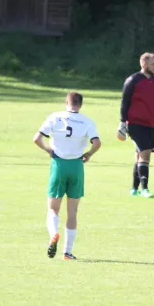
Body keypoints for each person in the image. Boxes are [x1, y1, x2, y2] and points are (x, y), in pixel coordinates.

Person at [33, 91, 101, 260]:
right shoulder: (87, 121)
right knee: (72, 212)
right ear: (80, 104)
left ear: (66, 102)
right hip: (77, 166)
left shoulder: (56, 117)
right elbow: (97, 142)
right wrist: (89, 153)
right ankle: (67, 252)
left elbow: (36, 138)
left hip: (59, 165)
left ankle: (53, 234)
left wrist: (48, 149)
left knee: (53, 208)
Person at [116, 52, 154, 198]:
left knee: (140, 155)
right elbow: (124, 103)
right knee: (145, 153)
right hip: (135, 123)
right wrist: (122, 123)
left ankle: (134, 188)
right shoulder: (133, 80)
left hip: (151, 124)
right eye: (152, 64)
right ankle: (145, 189)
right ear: (144, 64)